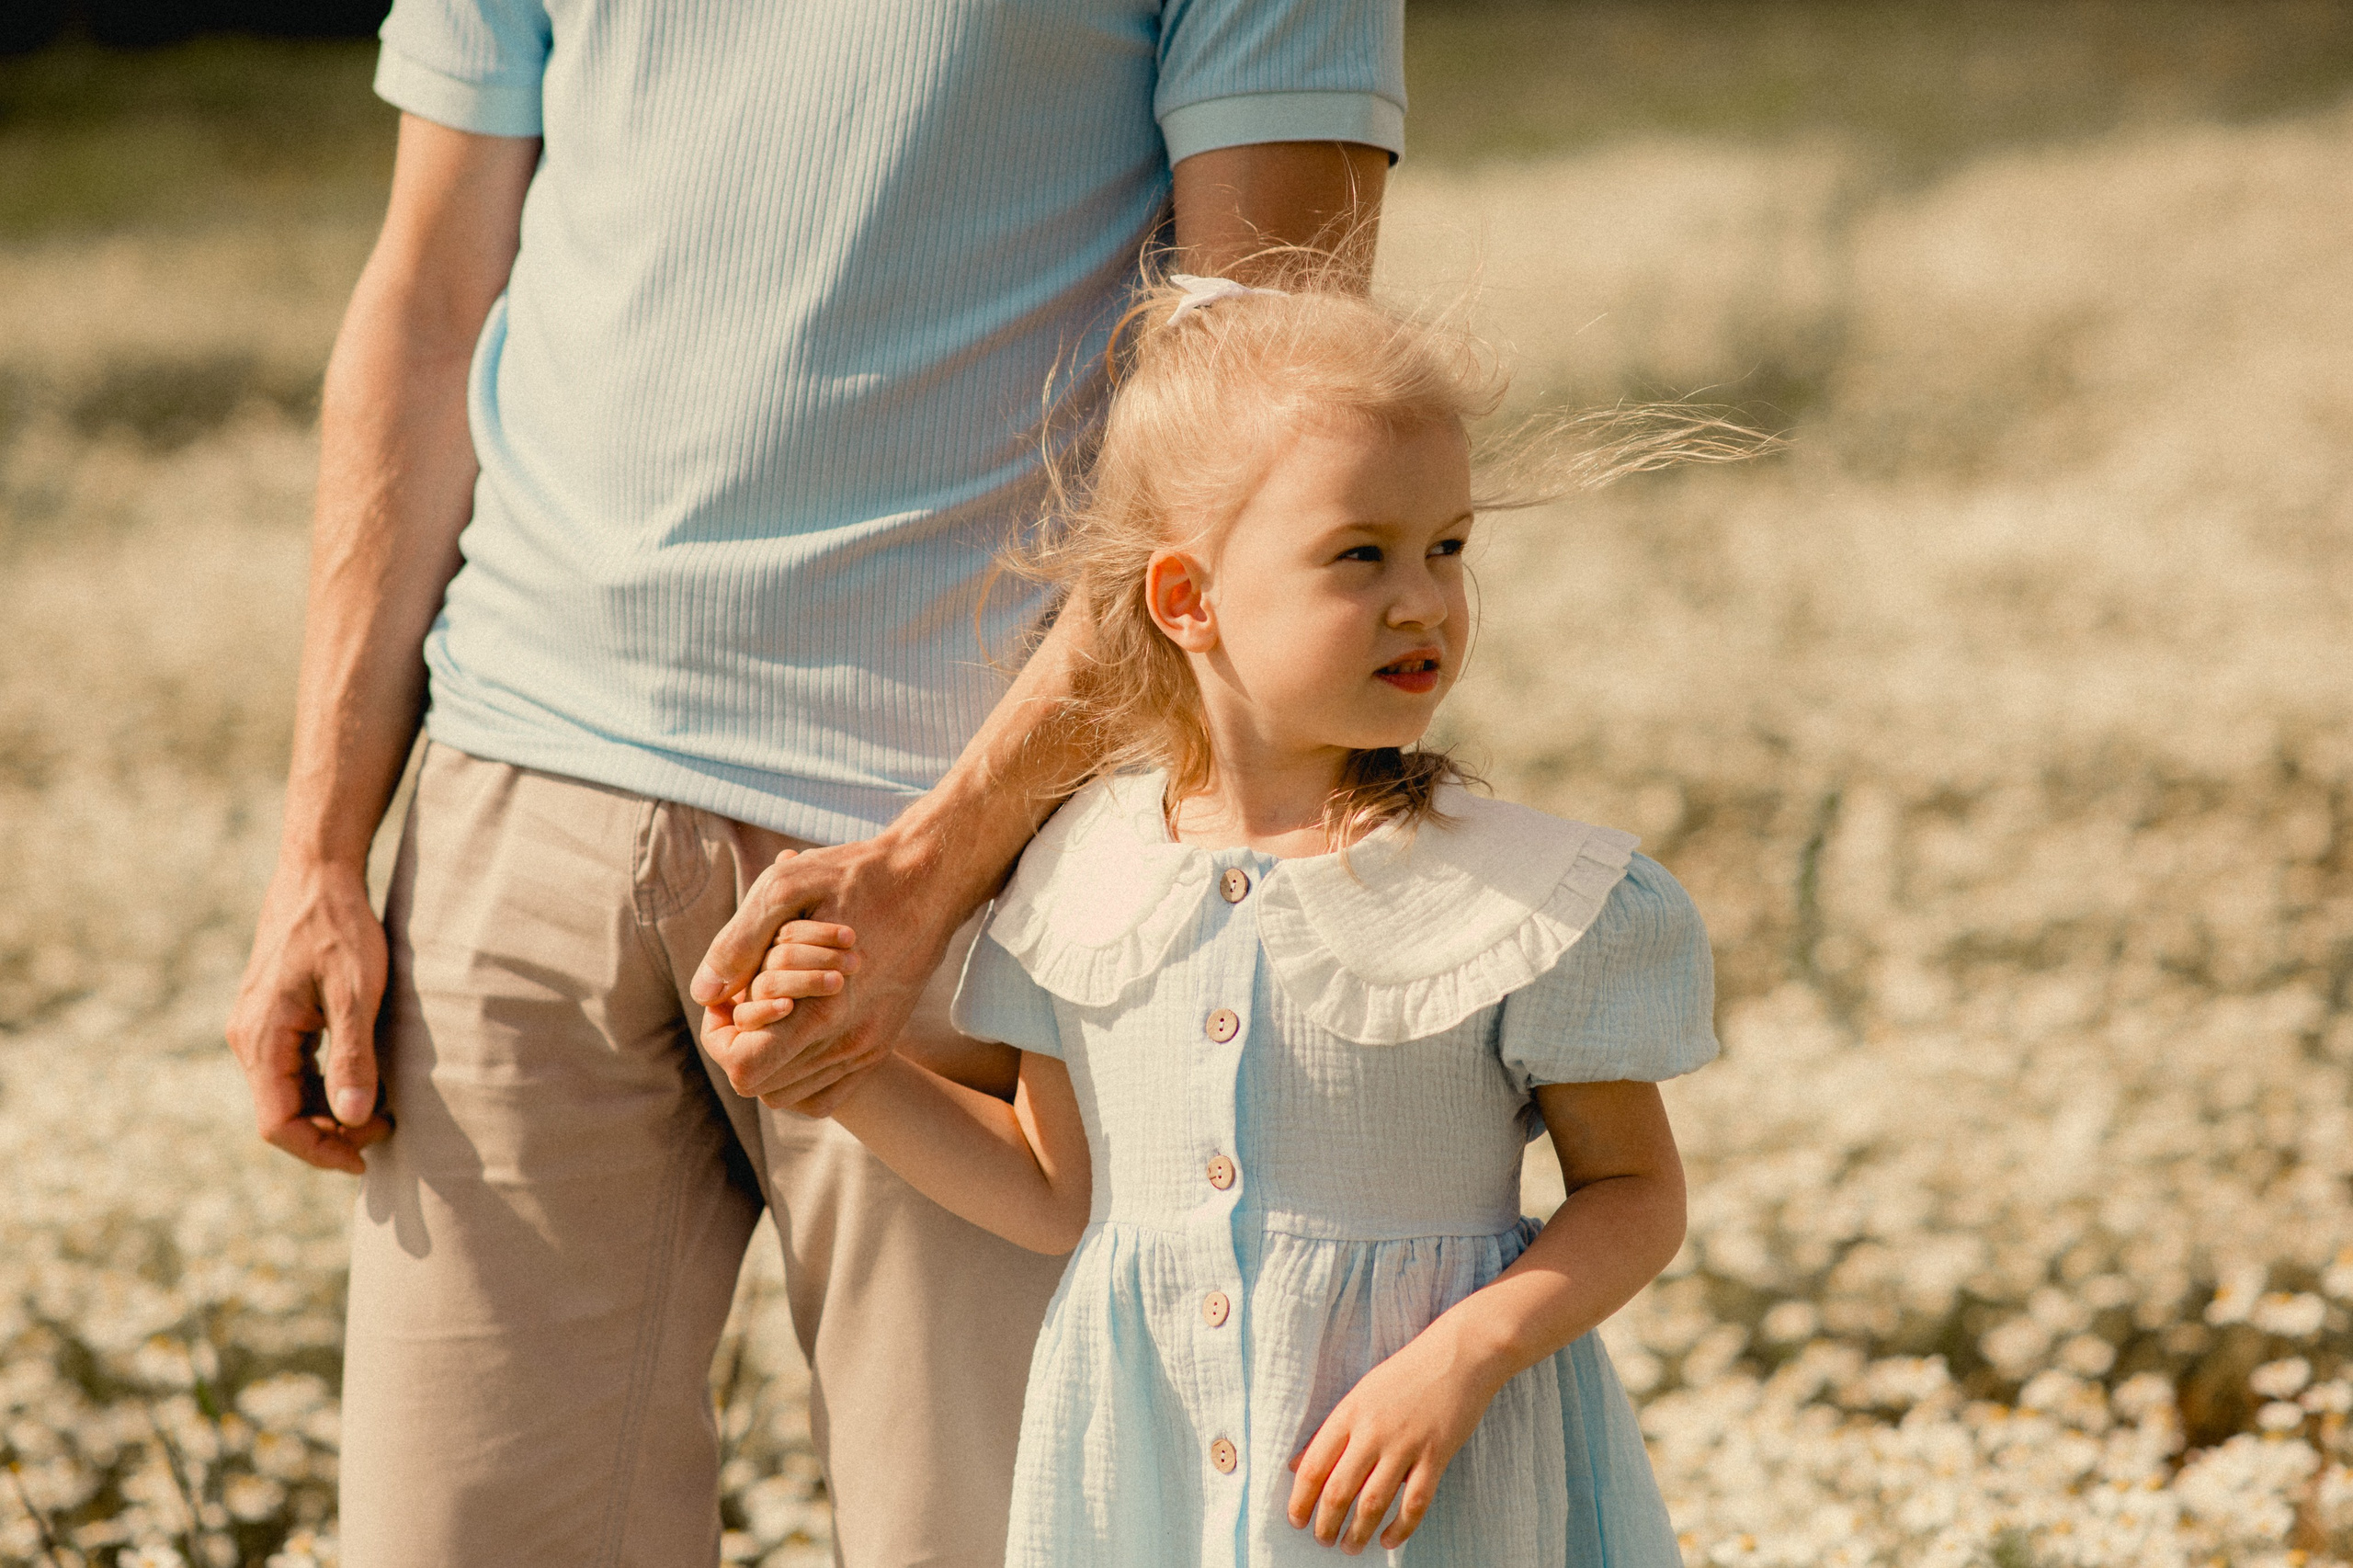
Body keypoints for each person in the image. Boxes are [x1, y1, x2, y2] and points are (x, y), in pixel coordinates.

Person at [221, 6, 1405, 1564]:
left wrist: (938, 858)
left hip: (995, 877)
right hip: (515, 810)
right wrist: (319, 847)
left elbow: (1264, 413)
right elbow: (431, 300)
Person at [717, 272, 1721, 1564]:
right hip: (1155, 1489)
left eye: (1450, 547)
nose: (1424, 599)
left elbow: (1635, 1192)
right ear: (1187, 598)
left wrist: (1464, 1354)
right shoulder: (1087, 871)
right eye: (1362, 552)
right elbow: (1053, 1189)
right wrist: (840, 1075)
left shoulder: (1518, 894)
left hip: (1428, 1500)